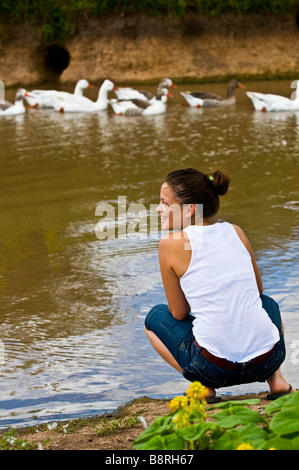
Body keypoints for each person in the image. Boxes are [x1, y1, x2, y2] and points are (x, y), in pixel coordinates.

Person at [145, 168, 293, 402]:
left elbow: (179, 312)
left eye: (164, 202)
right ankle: (277, 381)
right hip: (267, 360)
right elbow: (257, 291)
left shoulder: (170, 244)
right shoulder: (235, 231)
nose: (158, 209)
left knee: (155, 317)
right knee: (266, 303)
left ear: (189, 210)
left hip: (212, 369)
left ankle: (202, 387)